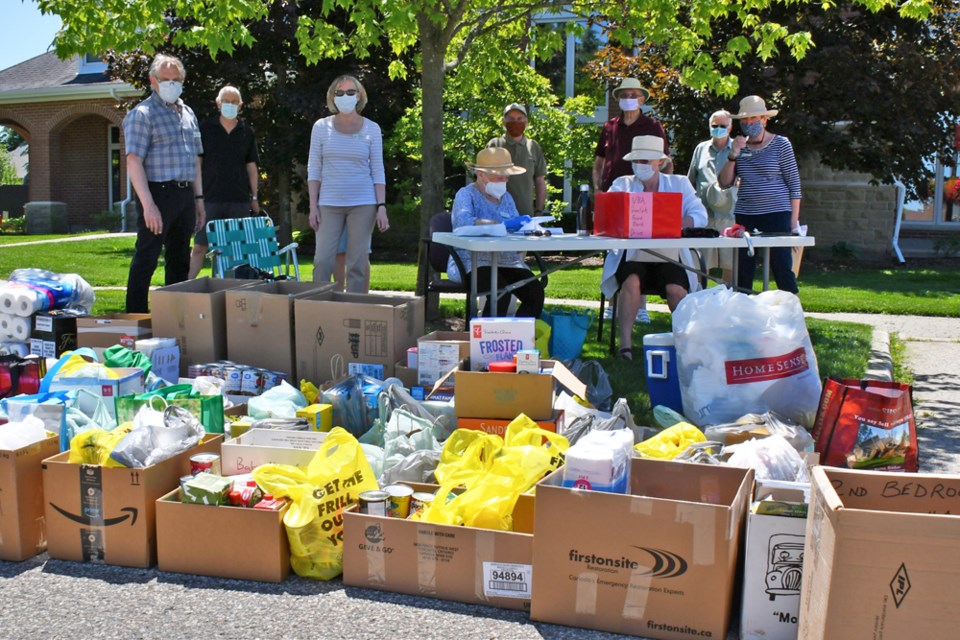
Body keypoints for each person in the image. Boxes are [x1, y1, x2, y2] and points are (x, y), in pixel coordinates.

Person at [600, 136, 708, 360]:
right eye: (636, 160)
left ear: (659, 162)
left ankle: (686, 346)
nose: (641, 165)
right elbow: (607, 213)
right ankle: (625, 346)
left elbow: (701, 216)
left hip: (667, 255)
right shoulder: (622, 184)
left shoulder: (679, 184)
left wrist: (678, 222)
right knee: (631, 281)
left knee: (677, 290)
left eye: (646, 160)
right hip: (633, 257)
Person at [123, 53, 204, 313]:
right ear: (153, 81)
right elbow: (133, 161)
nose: (171, 83)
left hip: (185, 194)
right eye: (165, 79)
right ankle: (135, 317)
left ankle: (175, 318)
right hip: (157, 193)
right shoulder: (142, 114)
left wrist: (199, 200)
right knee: (147, 257)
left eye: (176, 79)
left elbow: (196, 161)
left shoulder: (188, 113)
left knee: (180, 258)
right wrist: (148, 205)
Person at [593, 78, 673, 324]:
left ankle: (640, 307)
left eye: (633, 94)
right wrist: (598, 190)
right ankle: (613, 301)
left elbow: (666, 162)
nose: (628, 98)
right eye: (624, 94)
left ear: (641, 99)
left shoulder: (652, 126)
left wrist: (659, 194)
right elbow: (598, 162)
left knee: (641, 251)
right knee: (614, 251)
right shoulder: (610, 126)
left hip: (643, 198)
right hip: (615, 196)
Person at [307, 74, 389, 293]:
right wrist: (312, 206)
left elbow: (378, 170)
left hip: (363, 203)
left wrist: (381, 207)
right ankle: (317, 311)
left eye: (350, 92)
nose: (345, 97)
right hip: (328, 203)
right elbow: (314, 169)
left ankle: (355, 312)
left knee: (357, 263)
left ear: (359, 95)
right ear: (332, 97)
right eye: (340, 93)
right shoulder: (320, 127)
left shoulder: (372, 128)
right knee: (323, 261)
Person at [448, 147, 545, 318]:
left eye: (507, 174)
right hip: (473, 262)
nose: (505, 178)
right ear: (480, 173)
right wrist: (499, 225)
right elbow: (461, 223)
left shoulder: (506, 198)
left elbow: (515, 229)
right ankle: (487, 340)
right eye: (499, 173)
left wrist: (526, 229)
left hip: (506, 260)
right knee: (500, 292)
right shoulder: (466, 194)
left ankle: (518, 338)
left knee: (535, 292)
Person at [718, 96, 801, 294]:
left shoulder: (781, 144)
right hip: (746, 214)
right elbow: (724, 183)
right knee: (743, 271)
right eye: (744, 120)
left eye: (753, 118)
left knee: (781, 267)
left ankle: (795, 315)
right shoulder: (738, 146)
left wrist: (793, 222)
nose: (749, 123)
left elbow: (794, 185)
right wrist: (732, 155)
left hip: (777, 213)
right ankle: (743, 317)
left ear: (764, 119)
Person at [188, 85, 261, 279]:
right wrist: (198, 196)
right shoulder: (205, 128)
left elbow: (251, 166)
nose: (230, 105)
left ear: (241, 105)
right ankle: (184, 288)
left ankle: (230, 292)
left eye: (234, 102)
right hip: (209, 199)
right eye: (226, 101)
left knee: (235, 250)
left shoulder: (247, 131)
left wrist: (254, 197)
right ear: (218, 104)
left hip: (238, 199)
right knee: (200, 246)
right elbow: (197, 164)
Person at [687, 109, 736, 283]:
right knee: (701, 263)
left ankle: (728, 301)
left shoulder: (738, 150)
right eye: (715, 126)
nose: (718, 129)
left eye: (723, 126)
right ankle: (701, 299)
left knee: (730, 264)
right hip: (704, 216)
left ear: (730, 128)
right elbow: (690, 181)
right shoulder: (701, 149)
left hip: (730, 216)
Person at [486, 103, 547, 216]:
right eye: (511, 119)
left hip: (526, 215)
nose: (516, 122)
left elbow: (540, 181)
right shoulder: (494, 144)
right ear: (503, 121)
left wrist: (539, 211)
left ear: (526, 121)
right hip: (496, 214)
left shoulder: (533, 146)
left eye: (519, 119)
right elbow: (483, 179)